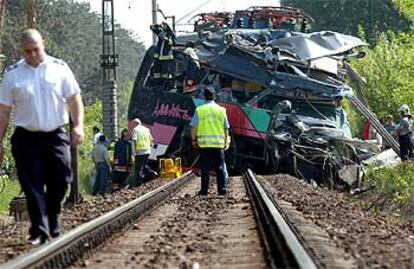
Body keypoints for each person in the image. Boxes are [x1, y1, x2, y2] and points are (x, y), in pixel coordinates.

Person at [0, 29, 84, 245]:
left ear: (43, 44)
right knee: (32, 185)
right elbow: (3, 111)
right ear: (22, 50)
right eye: (27, 51)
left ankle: (53, 214)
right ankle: (40, 228)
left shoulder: (60, 69)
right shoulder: (13, 74)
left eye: (36, 50)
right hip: (25, 138)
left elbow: (74, 99)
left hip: (55, 134)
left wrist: (78, 126)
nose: (32, 55)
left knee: (62, 179)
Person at [190, 86, 230, 196]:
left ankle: (204, 191)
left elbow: (193, 127)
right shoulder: (222, 110)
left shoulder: (200, 110)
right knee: (220, 167)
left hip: (204, 145)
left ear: (204, 96)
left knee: (205, 168)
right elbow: (226, 128)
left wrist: (194, 140)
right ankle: (222, 190)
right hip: (218, 144)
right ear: (215, 96)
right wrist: (226, 142)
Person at [131, 119, 153, 187]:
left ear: (136, 123)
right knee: (143, 165)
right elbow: (151, 139)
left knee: (138, 168)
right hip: (147, 150)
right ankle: (151, 173)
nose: (132, 125)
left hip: (139, 151)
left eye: (133, 124)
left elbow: (134, 141)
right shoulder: (146, 129)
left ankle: (138, 183)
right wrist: (150, 147)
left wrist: (134, 152)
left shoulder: (135, 130)